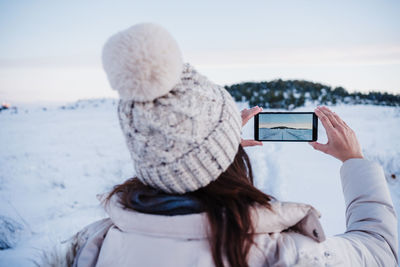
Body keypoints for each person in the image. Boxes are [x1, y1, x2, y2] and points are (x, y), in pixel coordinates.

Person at [60, 23, 398, 267]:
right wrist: (354, 161)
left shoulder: (93, 246)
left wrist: (208, 151)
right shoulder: (289, 254)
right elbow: (380, 250)